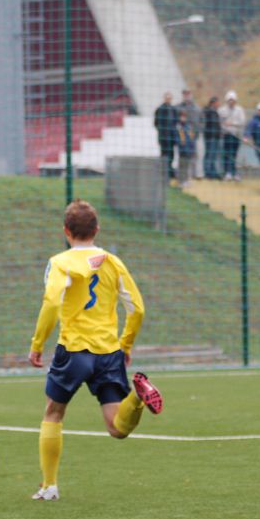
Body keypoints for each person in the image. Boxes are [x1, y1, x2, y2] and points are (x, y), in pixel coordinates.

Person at [28, 200, 164, 500]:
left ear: (66, 231)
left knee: (53, 413)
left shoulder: (60, 262)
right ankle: (137, 399)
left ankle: (49, 486)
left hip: (74, 350)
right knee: (117, 428)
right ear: (96, 230)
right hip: (108, 352)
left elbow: (51, 303)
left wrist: (37, 344)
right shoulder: (112, 262)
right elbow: (137, 309)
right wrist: (125, 344)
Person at [218, 90, 245, 181]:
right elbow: (220, 123)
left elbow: (242, 122)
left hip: (236, 135)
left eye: (233, 100)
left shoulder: (239, 110)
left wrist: (232, 124)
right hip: (226, 135)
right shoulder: (221, 110)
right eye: (230, 100)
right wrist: (224, 127)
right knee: (226, 154)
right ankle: (227, 172)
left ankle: (234, 173)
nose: (231, 102)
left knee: (234, 154)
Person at [175, 89, 203, 178]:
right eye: (185, 94)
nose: (186, 96)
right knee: (182, 157)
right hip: (182, 137)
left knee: (194, 156)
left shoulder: (197, 108)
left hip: (194, 136)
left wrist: (197, 132)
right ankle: (181, 176)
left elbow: (202, 121)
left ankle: (193, 174)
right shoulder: (177, 107)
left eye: (188, 94)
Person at [153, 92, 178, 180]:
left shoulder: (174, 109)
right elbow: (156, 123)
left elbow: (176, 122)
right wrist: (163, 131)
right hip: (163, 138)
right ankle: (163, 172)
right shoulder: (160, 109)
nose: (168, 100)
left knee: (172, 155)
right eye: (167, 98)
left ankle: (170, 172)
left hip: (171, 138)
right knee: (164, 155)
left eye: (170, 98)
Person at [175, 110, 197, 188]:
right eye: (182, 116)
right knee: (182, 166)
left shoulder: (189, 126)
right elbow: (178, 138)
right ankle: (181, 181)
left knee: (188, 165)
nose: (183, 118)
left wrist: (193, 148)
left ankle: (186, 180)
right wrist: (181, 144)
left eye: (184, 116)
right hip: (182, 150)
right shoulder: (178, 126)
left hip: (189, 149)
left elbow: (192, 138)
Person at [202, 96, 222, 179]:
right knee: (209, 155)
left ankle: (213, 172)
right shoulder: (209, 112)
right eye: (217, 102)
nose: (219, 104)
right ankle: (208, 172)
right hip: (210, 137)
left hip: (215, 137)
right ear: (213, 103)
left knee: (213, 155)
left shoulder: (214, 112)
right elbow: (211, 125)